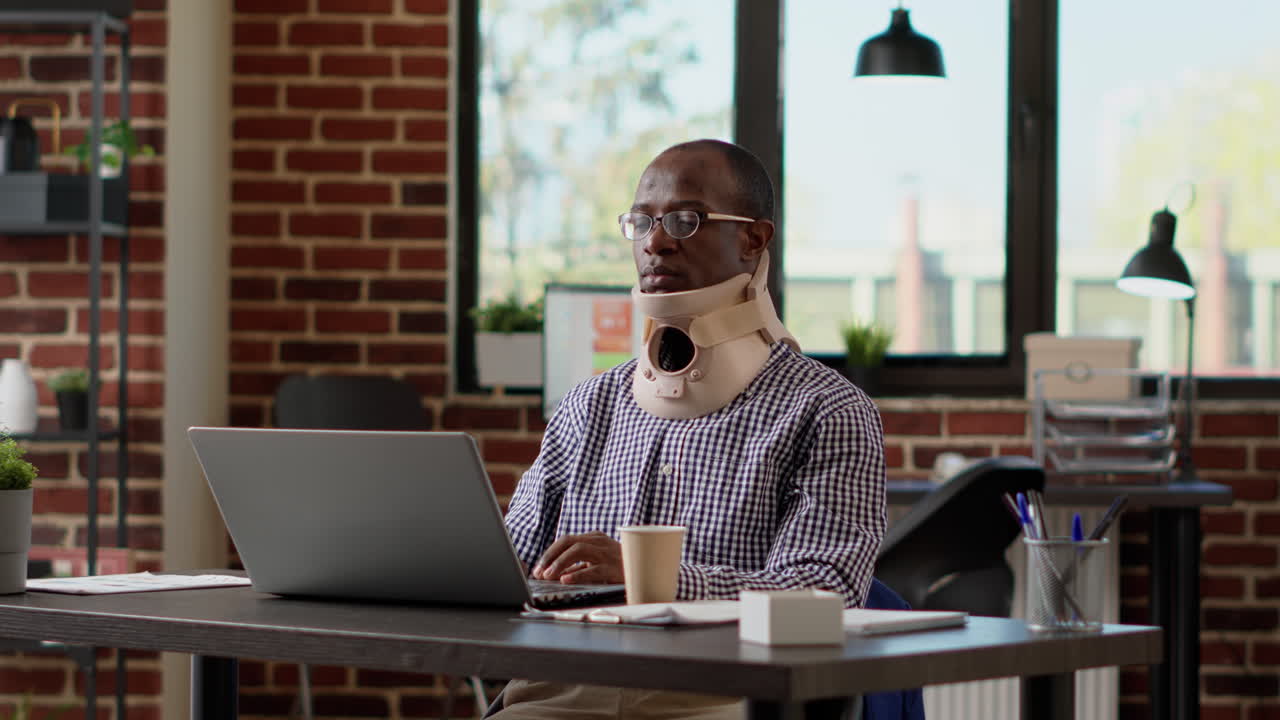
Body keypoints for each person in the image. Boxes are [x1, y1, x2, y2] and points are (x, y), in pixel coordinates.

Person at [494, 139, 888, 720]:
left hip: (721, 700)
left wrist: (656, 581)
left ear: (754, 239)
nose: (654, 241)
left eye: (686, 219)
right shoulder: (587, 406)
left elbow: (823, 593)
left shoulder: (826, 409)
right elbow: (506, 570)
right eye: (642, 222)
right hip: (558, 693)